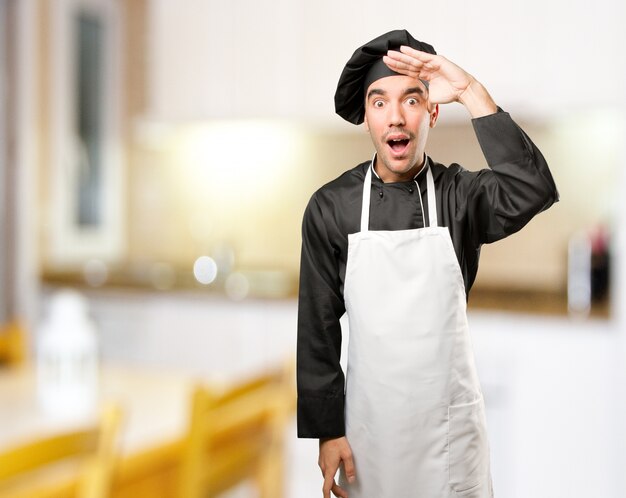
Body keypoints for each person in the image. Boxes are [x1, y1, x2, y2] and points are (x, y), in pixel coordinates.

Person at [296, 29, 558, 498]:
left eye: (411, 100)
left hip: (450, 441)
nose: (395, 117)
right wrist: (327, 431)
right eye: (379, 103)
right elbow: (317, 329)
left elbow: (533, 189)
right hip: (368, 439)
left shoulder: (461, 197)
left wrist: (468, 90)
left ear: (433, 112)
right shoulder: (330, 207)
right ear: (367, 119)